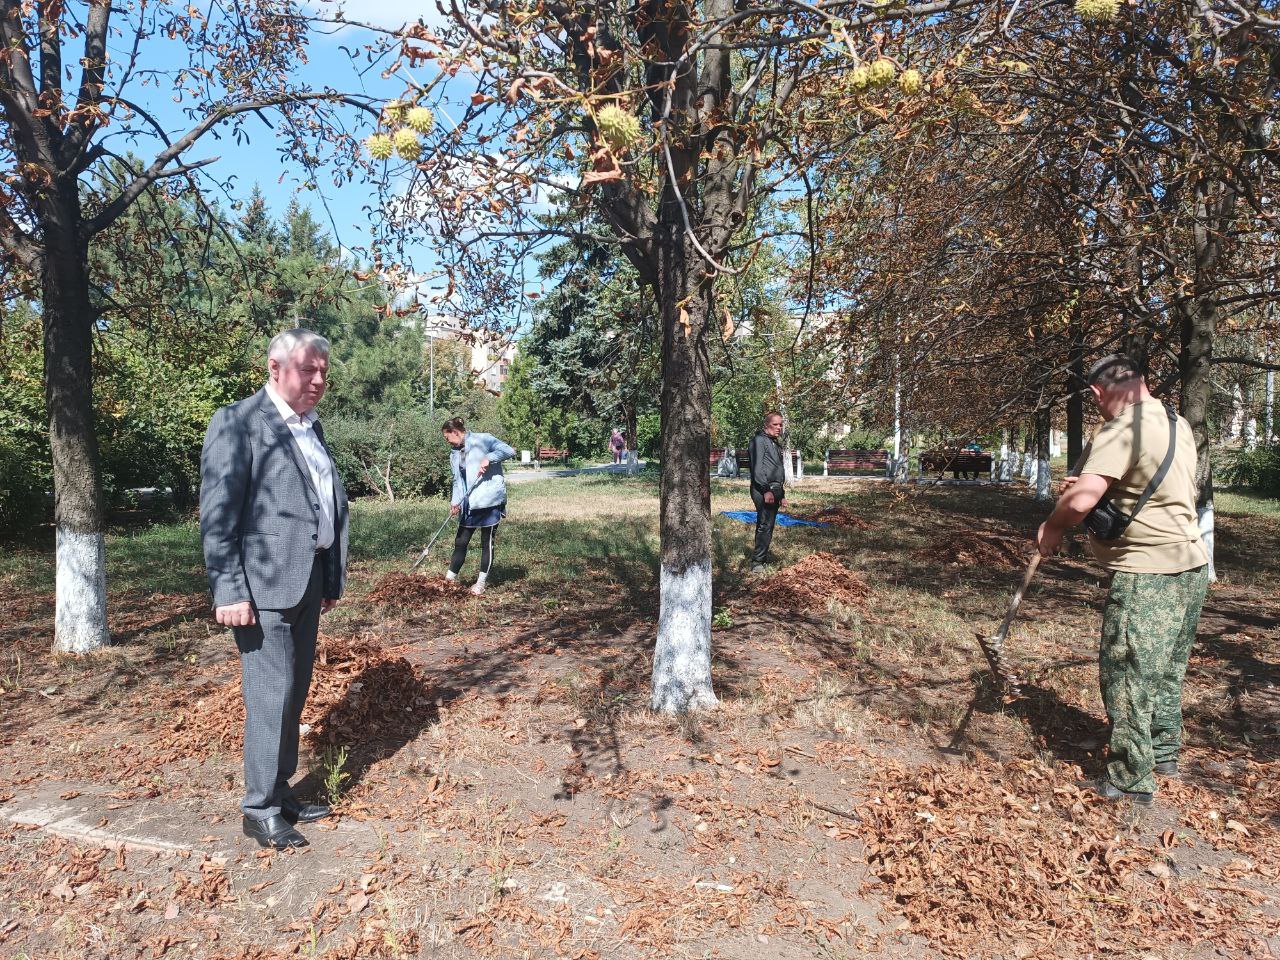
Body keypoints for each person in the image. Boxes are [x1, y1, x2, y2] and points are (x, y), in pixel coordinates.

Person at [1036, 354, 1208, 806]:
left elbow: (1082, 501)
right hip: (1190, 564)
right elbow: (1159, 486)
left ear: (1097, 393)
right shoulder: (1177, 423)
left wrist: (1054, 526)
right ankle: (1164, 752)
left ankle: (1131, 779)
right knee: (1166, 669)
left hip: (1148, 572)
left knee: (1128, 672)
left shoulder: (1121, 429)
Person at [200, 328, 349, 850]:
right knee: (270, 696)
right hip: (261, 587)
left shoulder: (310, 427)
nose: (319, 380)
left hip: (305, 580)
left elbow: (318, 504)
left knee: (295, 691)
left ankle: (280, 791)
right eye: (309, 369)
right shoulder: (238, 422)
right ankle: (258, 807)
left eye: (324, 371)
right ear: (275, 367)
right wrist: (228, 590)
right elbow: (219, 515)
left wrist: (328, 577)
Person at [442, 418, 516, 595]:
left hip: (489, 502)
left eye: (447, 437)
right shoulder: (454, 453)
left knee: (486, 542)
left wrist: (489, 458)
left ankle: (480, 583)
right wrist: (455, 501)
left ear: (456, 432)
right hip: (469, 504)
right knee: (460, 541)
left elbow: (509, 450)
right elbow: (457, 480)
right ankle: (449, 581)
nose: (447, 441)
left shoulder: (483, 439)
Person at [748, 411, 786, 574]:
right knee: (764, 524)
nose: (779, 428)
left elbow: (777, 470)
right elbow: (757, 469)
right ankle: (757, 562)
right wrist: (766, 490)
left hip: (775, 489)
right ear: (766, 425)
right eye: (775, 424)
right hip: (763, 489)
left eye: (780, 425)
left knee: (768, 525)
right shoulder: (759, 441)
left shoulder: (774, 443)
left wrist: (782, 494)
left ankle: (761, 558)